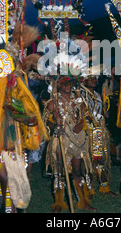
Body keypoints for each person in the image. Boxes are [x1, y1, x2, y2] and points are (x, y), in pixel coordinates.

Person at [43, 76, 96, 213]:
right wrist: (55, 122)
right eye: (64, 83)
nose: (68, 86)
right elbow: (45, 122)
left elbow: (86, 117)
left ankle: (82, 201)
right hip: (61, 138)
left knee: (77, 171)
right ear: (59, 85)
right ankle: (59, 203)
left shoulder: (78, 100)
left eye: (70, 83)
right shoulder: (53, 102)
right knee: (60, 172)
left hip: (77, 139)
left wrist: (81, 123)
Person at [81, 75, 117, 196]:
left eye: (95, 78)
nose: (93, 81)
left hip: (99, 130)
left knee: (101, 158)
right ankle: (89, 188)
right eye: (90, 78)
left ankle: (104, 186)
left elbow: (101, 112)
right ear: (84, 80)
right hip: (86, 131)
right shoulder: (79, 95)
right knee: (87, 160)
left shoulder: (98, 95)